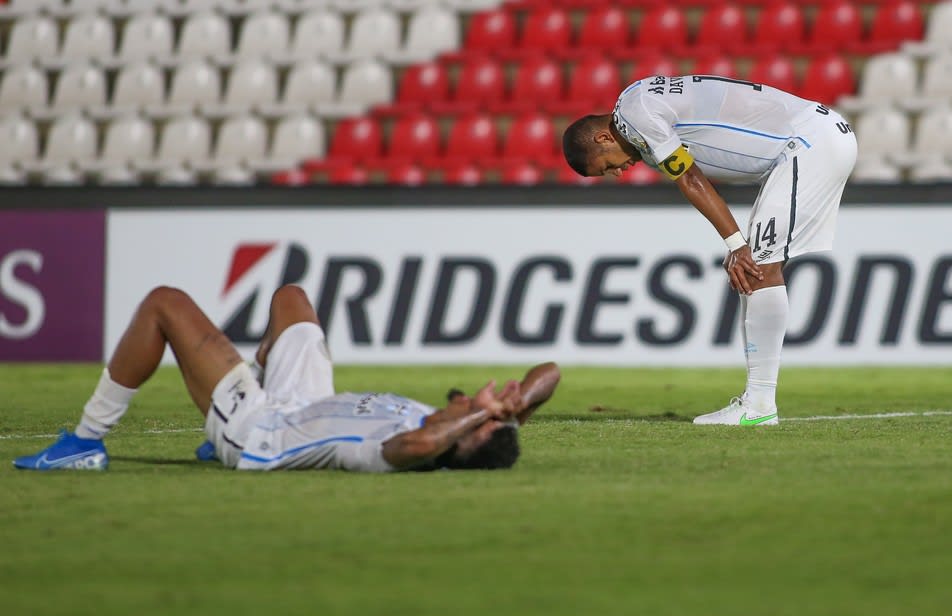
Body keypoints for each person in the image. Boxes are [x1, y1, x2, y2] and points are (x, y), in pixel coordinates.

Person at [562, 74, 857, 426]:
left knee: (758, 267)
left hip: (806, 145)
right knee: (757, 270)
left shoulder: (636, 117)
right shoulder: (634, 105)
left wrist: (735, 244)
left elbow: (690, 178)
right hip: (808, 142)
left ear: (603, 137)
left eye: (607, 165)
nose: (619, 172)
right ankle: (757, 402)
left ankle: (760, 406)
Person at [13, 285, 560, 471]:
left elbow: (416, 446)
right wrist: (511, 407)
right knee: (290, 299)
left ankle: (84, 441)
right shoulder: (439, 422)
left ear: (465, 438)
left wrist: (480, 414)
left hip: (260, 429)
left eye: (484, 420)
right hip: (305, 401)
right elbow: (550, 373)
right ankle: (241, 387)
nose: (483, 399)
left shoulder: (400, 450)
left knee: (165, 304)